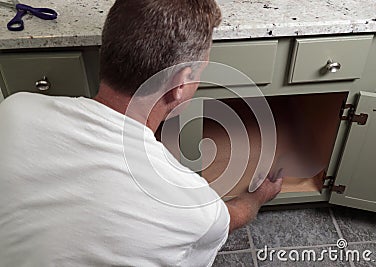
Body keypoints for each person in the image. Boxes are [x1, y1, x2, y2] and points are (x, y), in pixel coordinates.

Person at [0, 0, 282, 266]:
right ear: (182, 82)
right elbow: (227, 219)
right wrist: (257, 198)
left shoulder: (14, 110)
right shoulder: (190, 203)